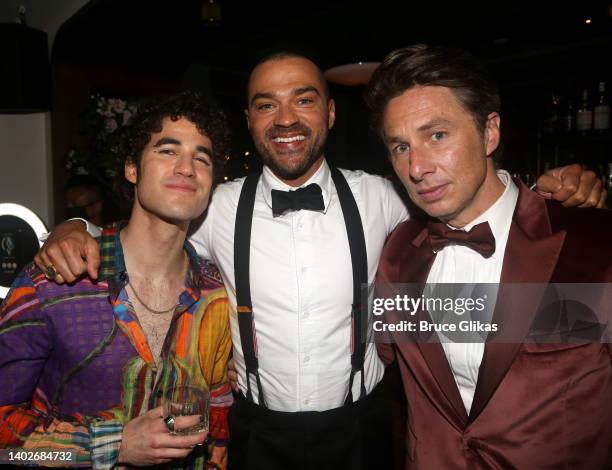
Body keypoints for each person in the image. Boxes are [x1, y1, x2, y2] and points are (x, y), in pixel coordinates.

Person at [34, 53, 605, 470]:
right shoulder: (213, 204)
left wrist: (559, 192)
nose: (285, 118)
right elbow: (146, 230)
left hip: (363, 430)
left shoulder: (387, 200)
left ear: (331, 114)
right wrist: (76, 225)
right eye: (266, 105)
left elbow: (489, 269)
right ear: (251, 121)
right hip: (255, 432)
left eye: (303, 99)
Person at [367, 44, 612, 469]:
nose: (417, 167)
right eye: (400, 147)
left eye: (437, 135)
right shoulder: (397, 254)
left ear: (490, 131)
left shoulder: (592, 245)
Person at [0, 92, 233, 469]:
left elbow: (219, 414)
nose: (187, 168)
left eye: (201, 157)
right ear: (132, 168)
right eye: (168, 151)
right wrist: (114, 445)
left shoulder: (216, 293)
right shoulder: (53, 284)